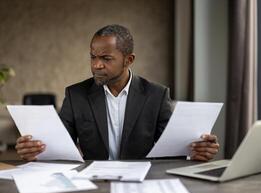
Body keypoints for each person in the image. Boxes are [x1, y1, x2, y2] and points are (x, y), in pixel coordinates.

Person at [15, 24, 219, 161]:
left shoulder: (156, 95)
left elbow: (174, 148)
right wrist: (35, 150)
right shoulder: (76, 95)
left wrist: (197, 150)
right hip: (93, 184)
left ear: (129, 60)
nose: (96, 65)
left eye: (106, 58)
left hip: (141, 184)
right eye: (93, 57)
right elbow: (57, 145)